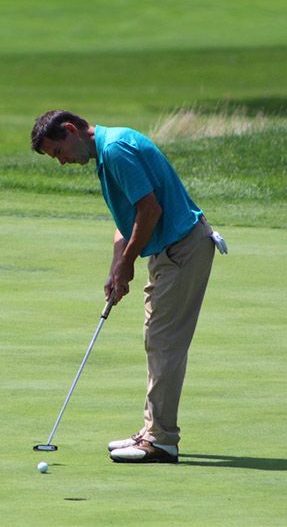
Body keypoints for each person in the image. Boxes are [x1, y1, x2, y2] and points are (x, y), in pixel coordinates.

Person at [30, 110, 227, 464]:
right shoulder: (107, 153)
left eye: (58, 152)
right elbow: (128, 220)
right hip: (170, 251)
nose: (61, 162)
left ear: (71, 130)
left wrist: (127, 263)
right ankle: (152, 431)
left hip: (182, 249)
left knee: (164, 342)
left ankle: (161, 440)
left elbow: (149, 211)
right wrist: (116, 266)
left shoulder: (116, 150)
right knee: (157, 340)